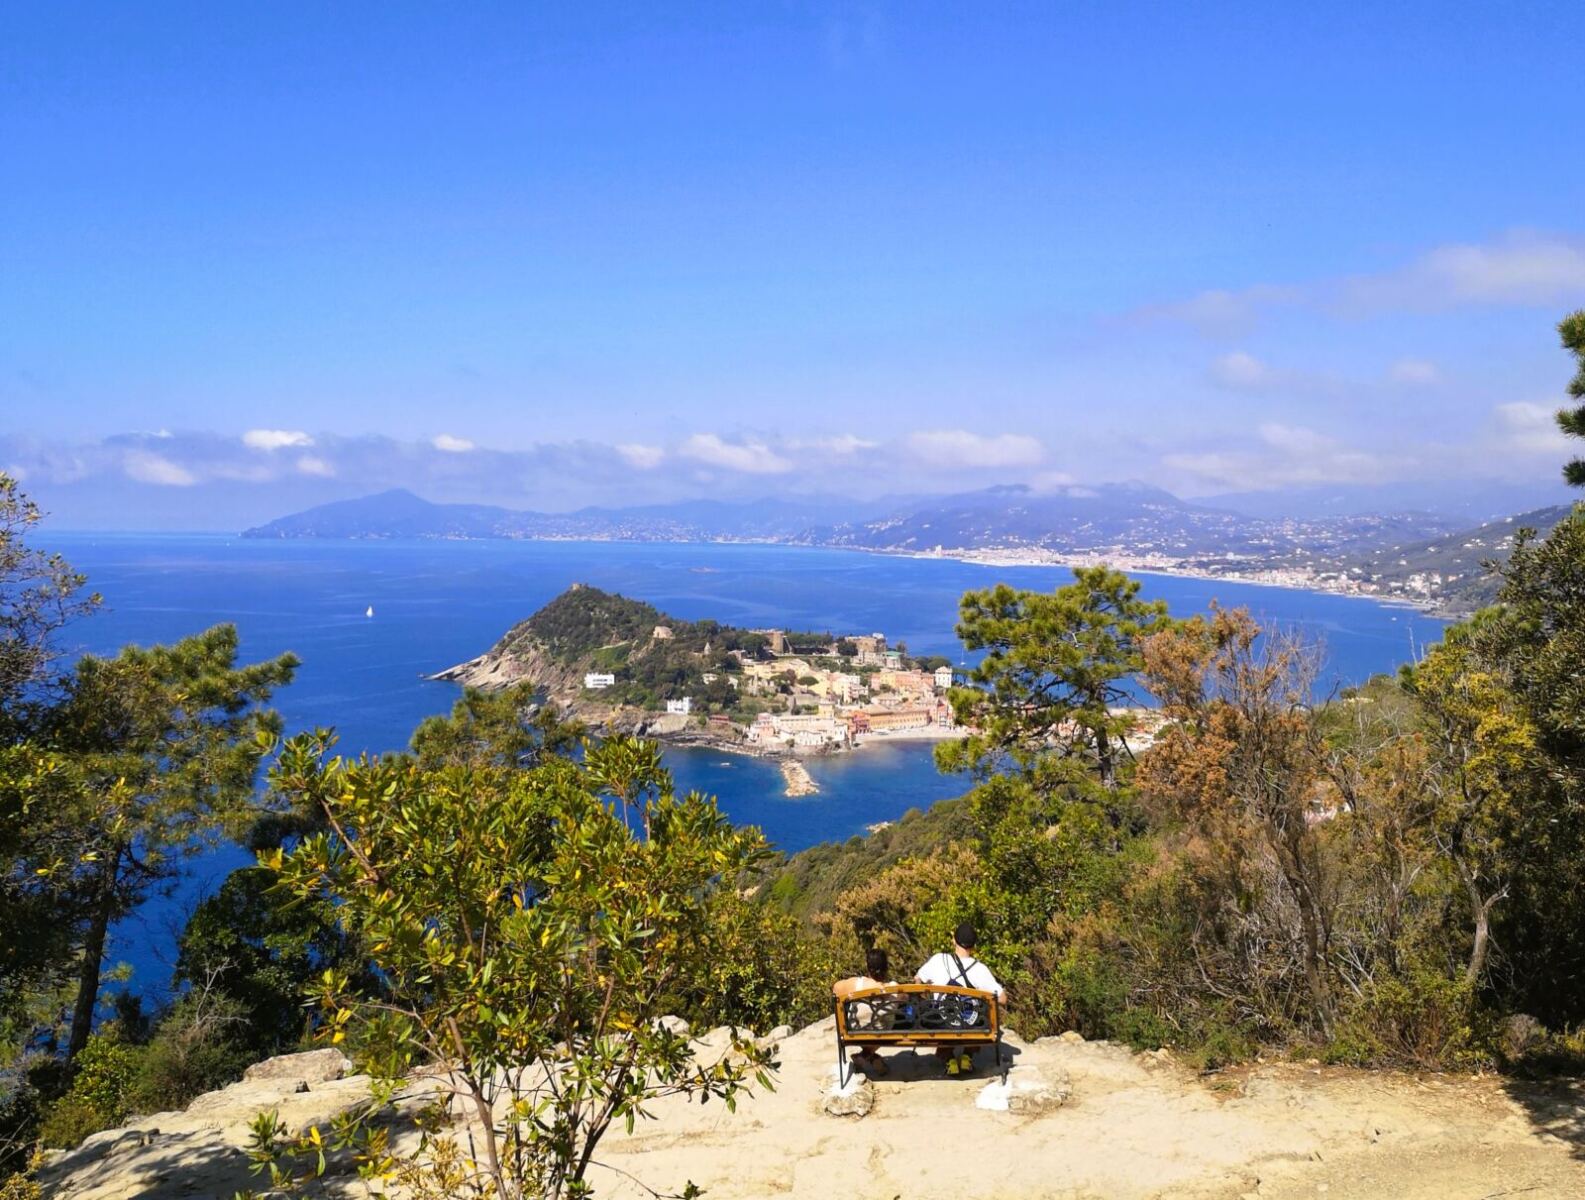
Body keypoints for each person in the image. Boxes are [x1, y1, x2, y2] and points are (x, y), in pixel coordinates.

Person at [915, 922, 1004, 1076]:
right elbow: (1002, 999)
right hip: (969, 1025)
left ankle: (949, 1059)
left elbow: (917, 979)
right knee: (980, 1016)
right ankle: (966, 1057)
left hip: (940, 1024)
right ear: (973, 946)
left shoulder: (938, 959)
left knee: (936, 1014)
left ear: (953, 941)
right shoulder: (980, 969)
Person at [833, 946, 896, 1076]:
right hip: (883, 1032)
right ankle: (867, 1056)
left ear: (868, 967)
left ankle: (866, 1056)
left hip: (857, 1029)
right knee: (888, 1020)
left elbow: (836, 988)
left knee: (866, 1020)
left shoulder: (858, 984)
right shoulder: (893, 987)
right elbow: (906, 999)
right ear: (886, 967)